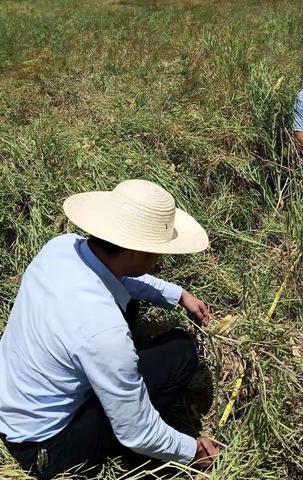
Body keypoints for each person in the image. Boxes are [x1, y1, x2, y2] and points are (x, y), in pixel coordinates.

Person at [0, 179, 219, 479]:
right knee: (181, 353)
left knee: (130, 304)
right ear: (138, 253)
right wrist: (194, 450)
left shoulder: (60, 248)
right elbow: (138, 431)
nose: (160, 259)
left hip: (12, 404)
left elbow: (122, 276)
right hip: (46, 449)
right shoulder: (104, 331)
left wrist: (179, 295)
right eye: (158, 251)